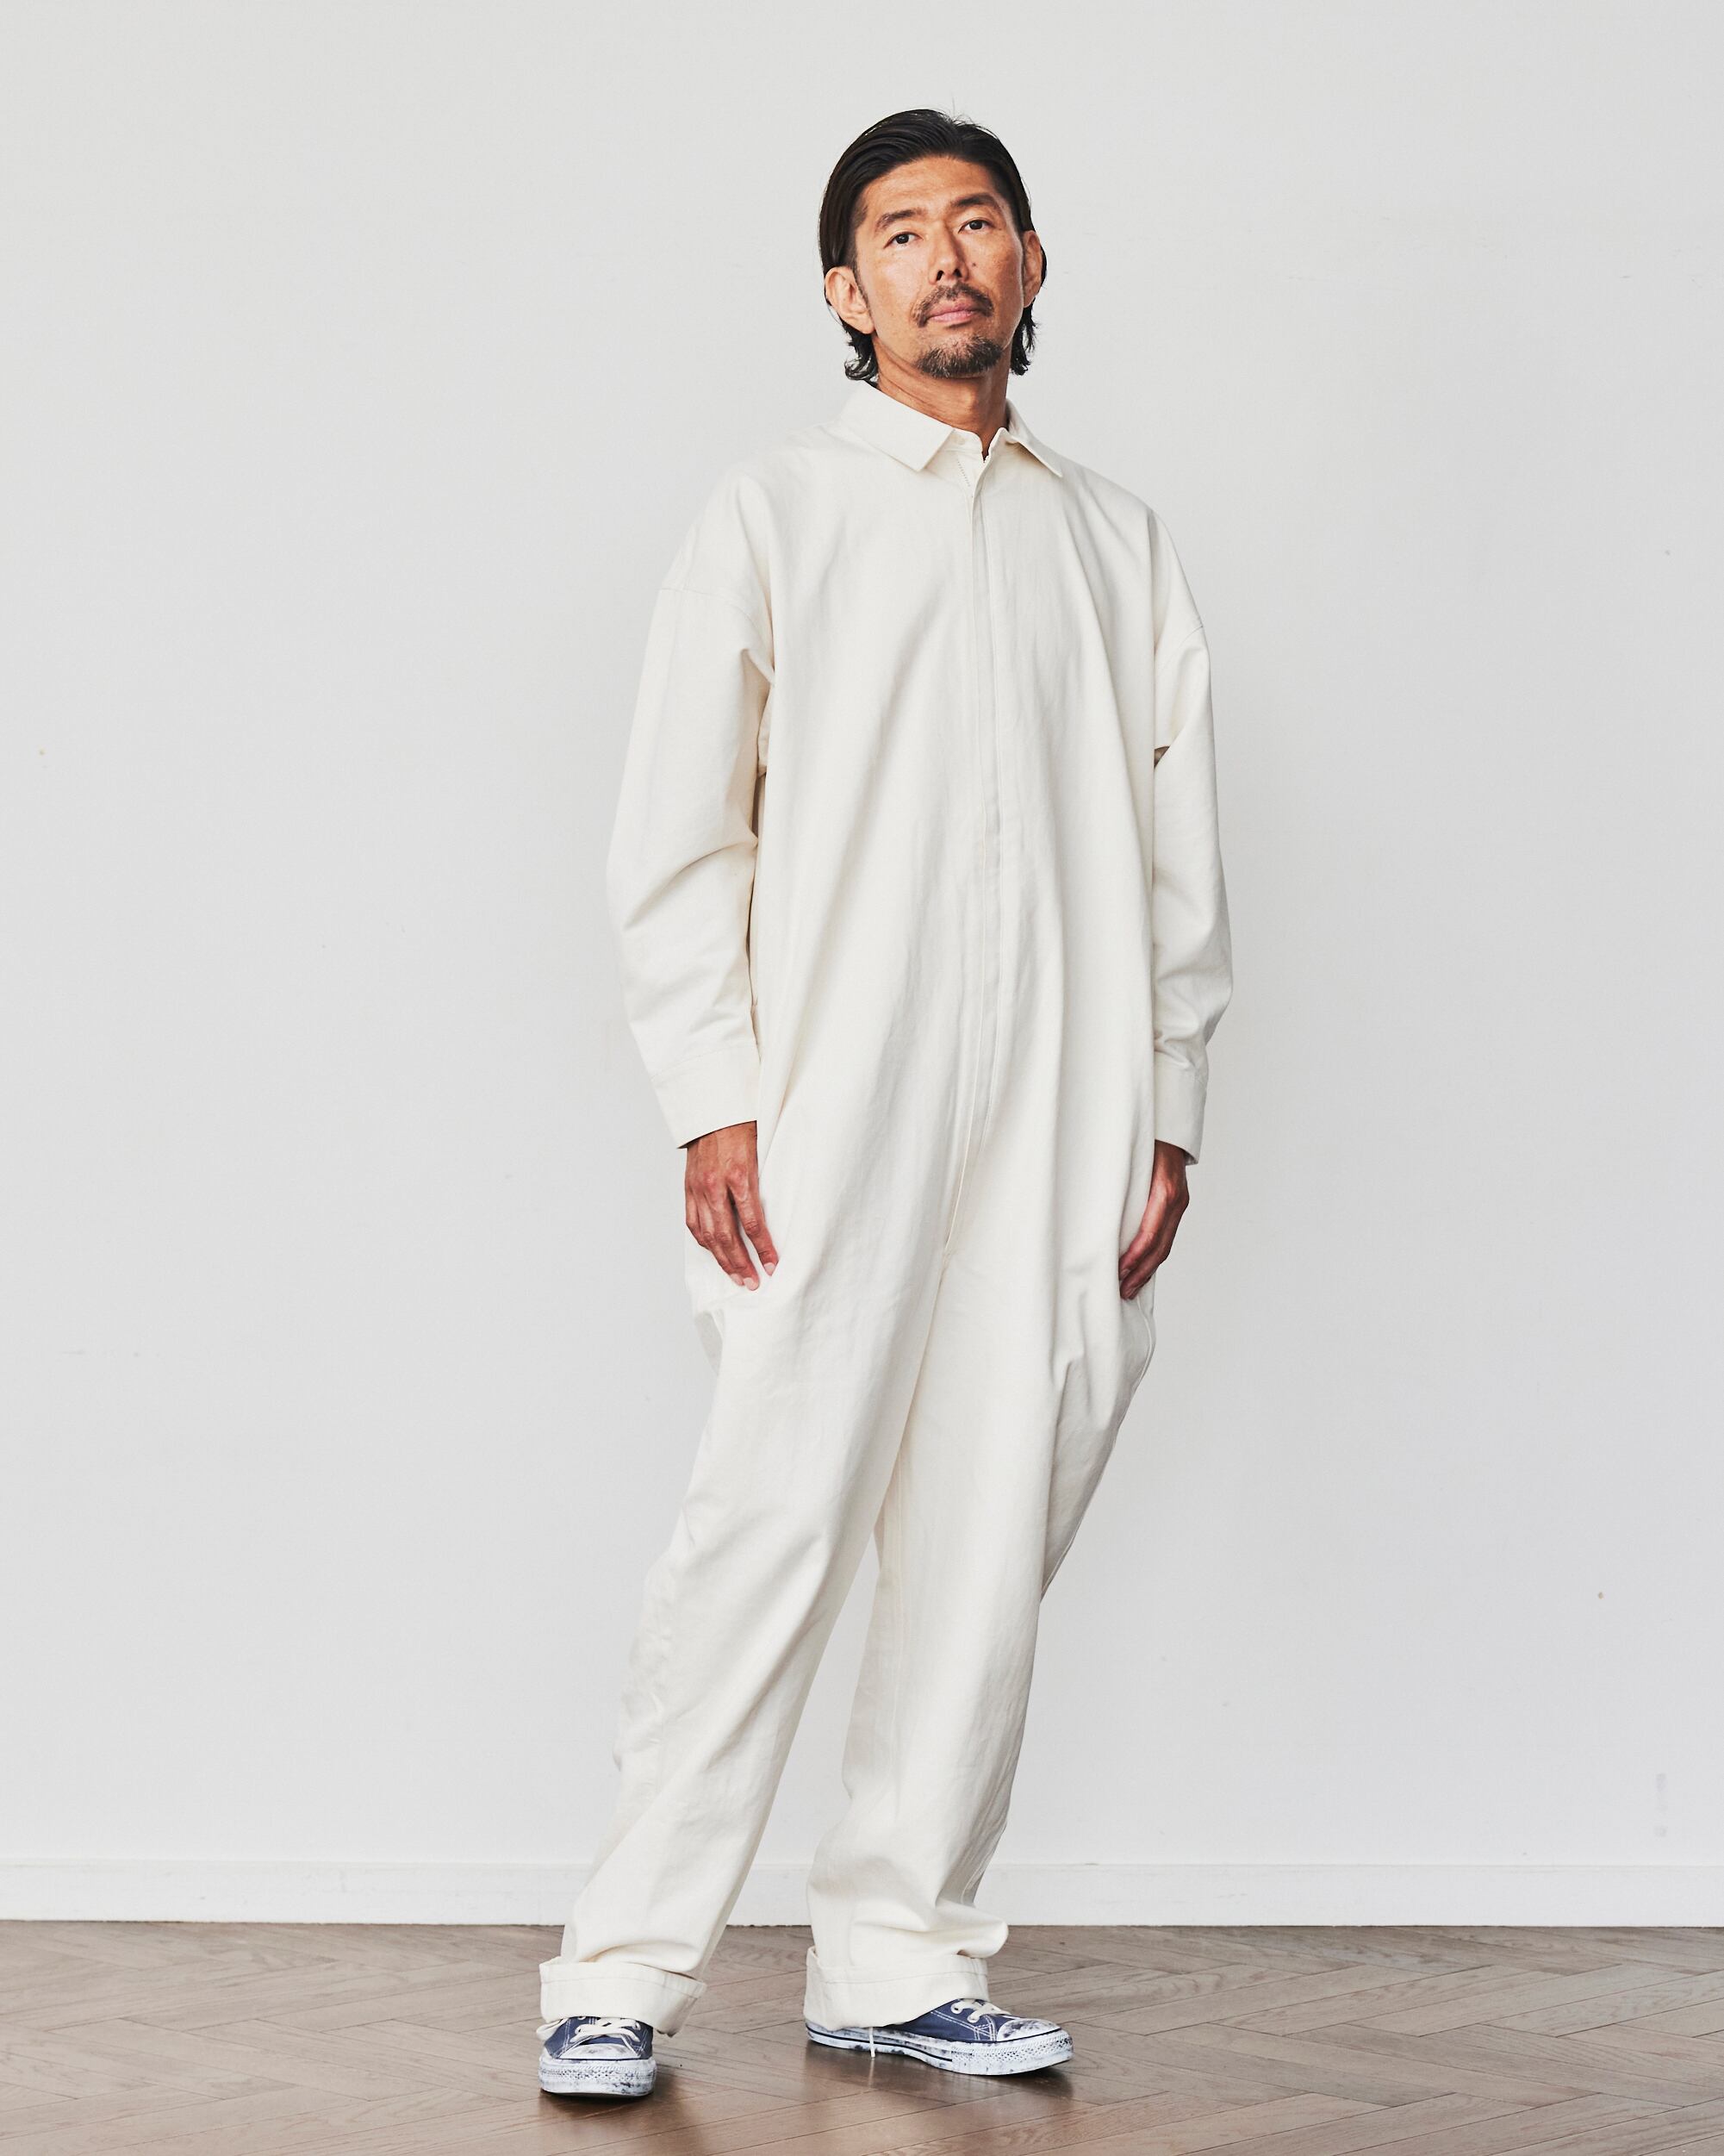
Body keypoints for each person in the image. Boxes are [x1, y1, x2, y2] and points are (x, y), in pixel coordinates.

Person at [538, 106, 1234, 2102]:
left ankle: (896, 1951)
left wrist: (1165, 1100)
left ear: (1030, 265)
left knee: (990, 1531)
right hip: (831, 1095)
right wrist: (713, 1094)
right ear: (845, 292)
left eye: (978, 220)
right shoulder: (776, 514)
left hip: (1068, 1107)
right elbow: (678, 836)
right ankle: (620, 1967)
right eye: (901, 232)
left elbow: (1177, 851)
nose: (946, 257)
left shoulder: (1112, 540)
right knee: (769, 1516)